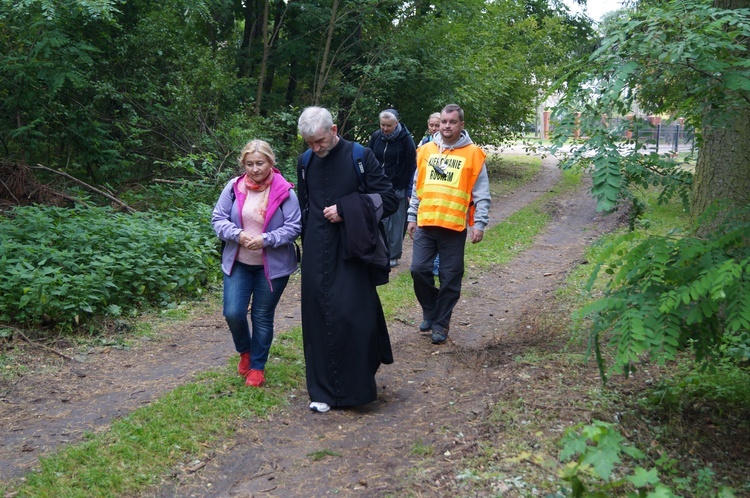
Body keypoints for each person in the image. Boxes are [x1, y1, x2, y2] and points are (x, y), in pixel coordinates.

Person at [297, 106, 398, 413]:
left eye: (320, 141)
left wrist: (346, 209)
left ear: (334, 129)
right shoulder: (304, 161)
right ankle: (322, 391)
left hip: (352, 249)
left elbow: (389, 199)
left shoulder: (360, 155)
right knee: (316, 317)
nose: (316, 148)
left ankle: (356, 389)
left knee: (353, 316)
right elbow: (304, 205)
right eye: (309, 143)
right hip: (315, 249)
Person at [212, 140, 302, 387]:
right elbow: (218, 219)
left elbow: (294, 227)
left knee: (262, 316)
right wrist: (238, 235)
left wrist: (266, 239)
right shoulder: (233, 187)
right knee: (233, 312)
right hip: (238, 262)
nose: (255, 169)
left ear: (271, 162)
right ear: (243, 164)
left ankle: (257, 367)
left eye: (260, 163)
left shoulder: (285, 192)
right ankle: (245, 352)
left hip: (272, 267)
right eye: (249, 164)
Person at [406, 104, 491, 345]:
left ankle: (441, 323)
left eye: (452, 122)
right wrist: (412, 216)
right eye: (443, 121)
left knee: (450, 277)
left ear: (461, 124)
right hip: (426, 223)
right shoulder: (425, 150)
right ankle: (431, 308)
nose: (446, 126)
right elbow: (417, 186)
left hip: (453, 228)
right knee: (418, 270)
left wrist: (479, 223)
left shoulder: (473, 154)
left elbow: (481, 193)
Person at [367, 108, 417, 268]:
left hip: (398, 186)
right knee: (378, 219)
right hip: (377, 186)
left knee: (396, 222)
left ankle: (394, 254)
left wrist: (410, 190)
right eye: (383, 125)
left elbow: (412, 166)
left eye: (389, 125)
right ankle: (377, 252)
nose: (385, 129)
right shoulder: (376, 137)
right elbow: (368, 157)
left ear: (396, 123)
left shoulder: (406, 140)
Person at [417, 111, 443, 275]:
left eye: (437, 125)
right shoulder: (424, 143)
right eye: (431, 125)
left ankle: (438, 265)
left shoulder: (447, 146)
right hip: (426, 194)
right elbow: (418, 170)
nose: (434, 128)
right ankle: (430, 263)